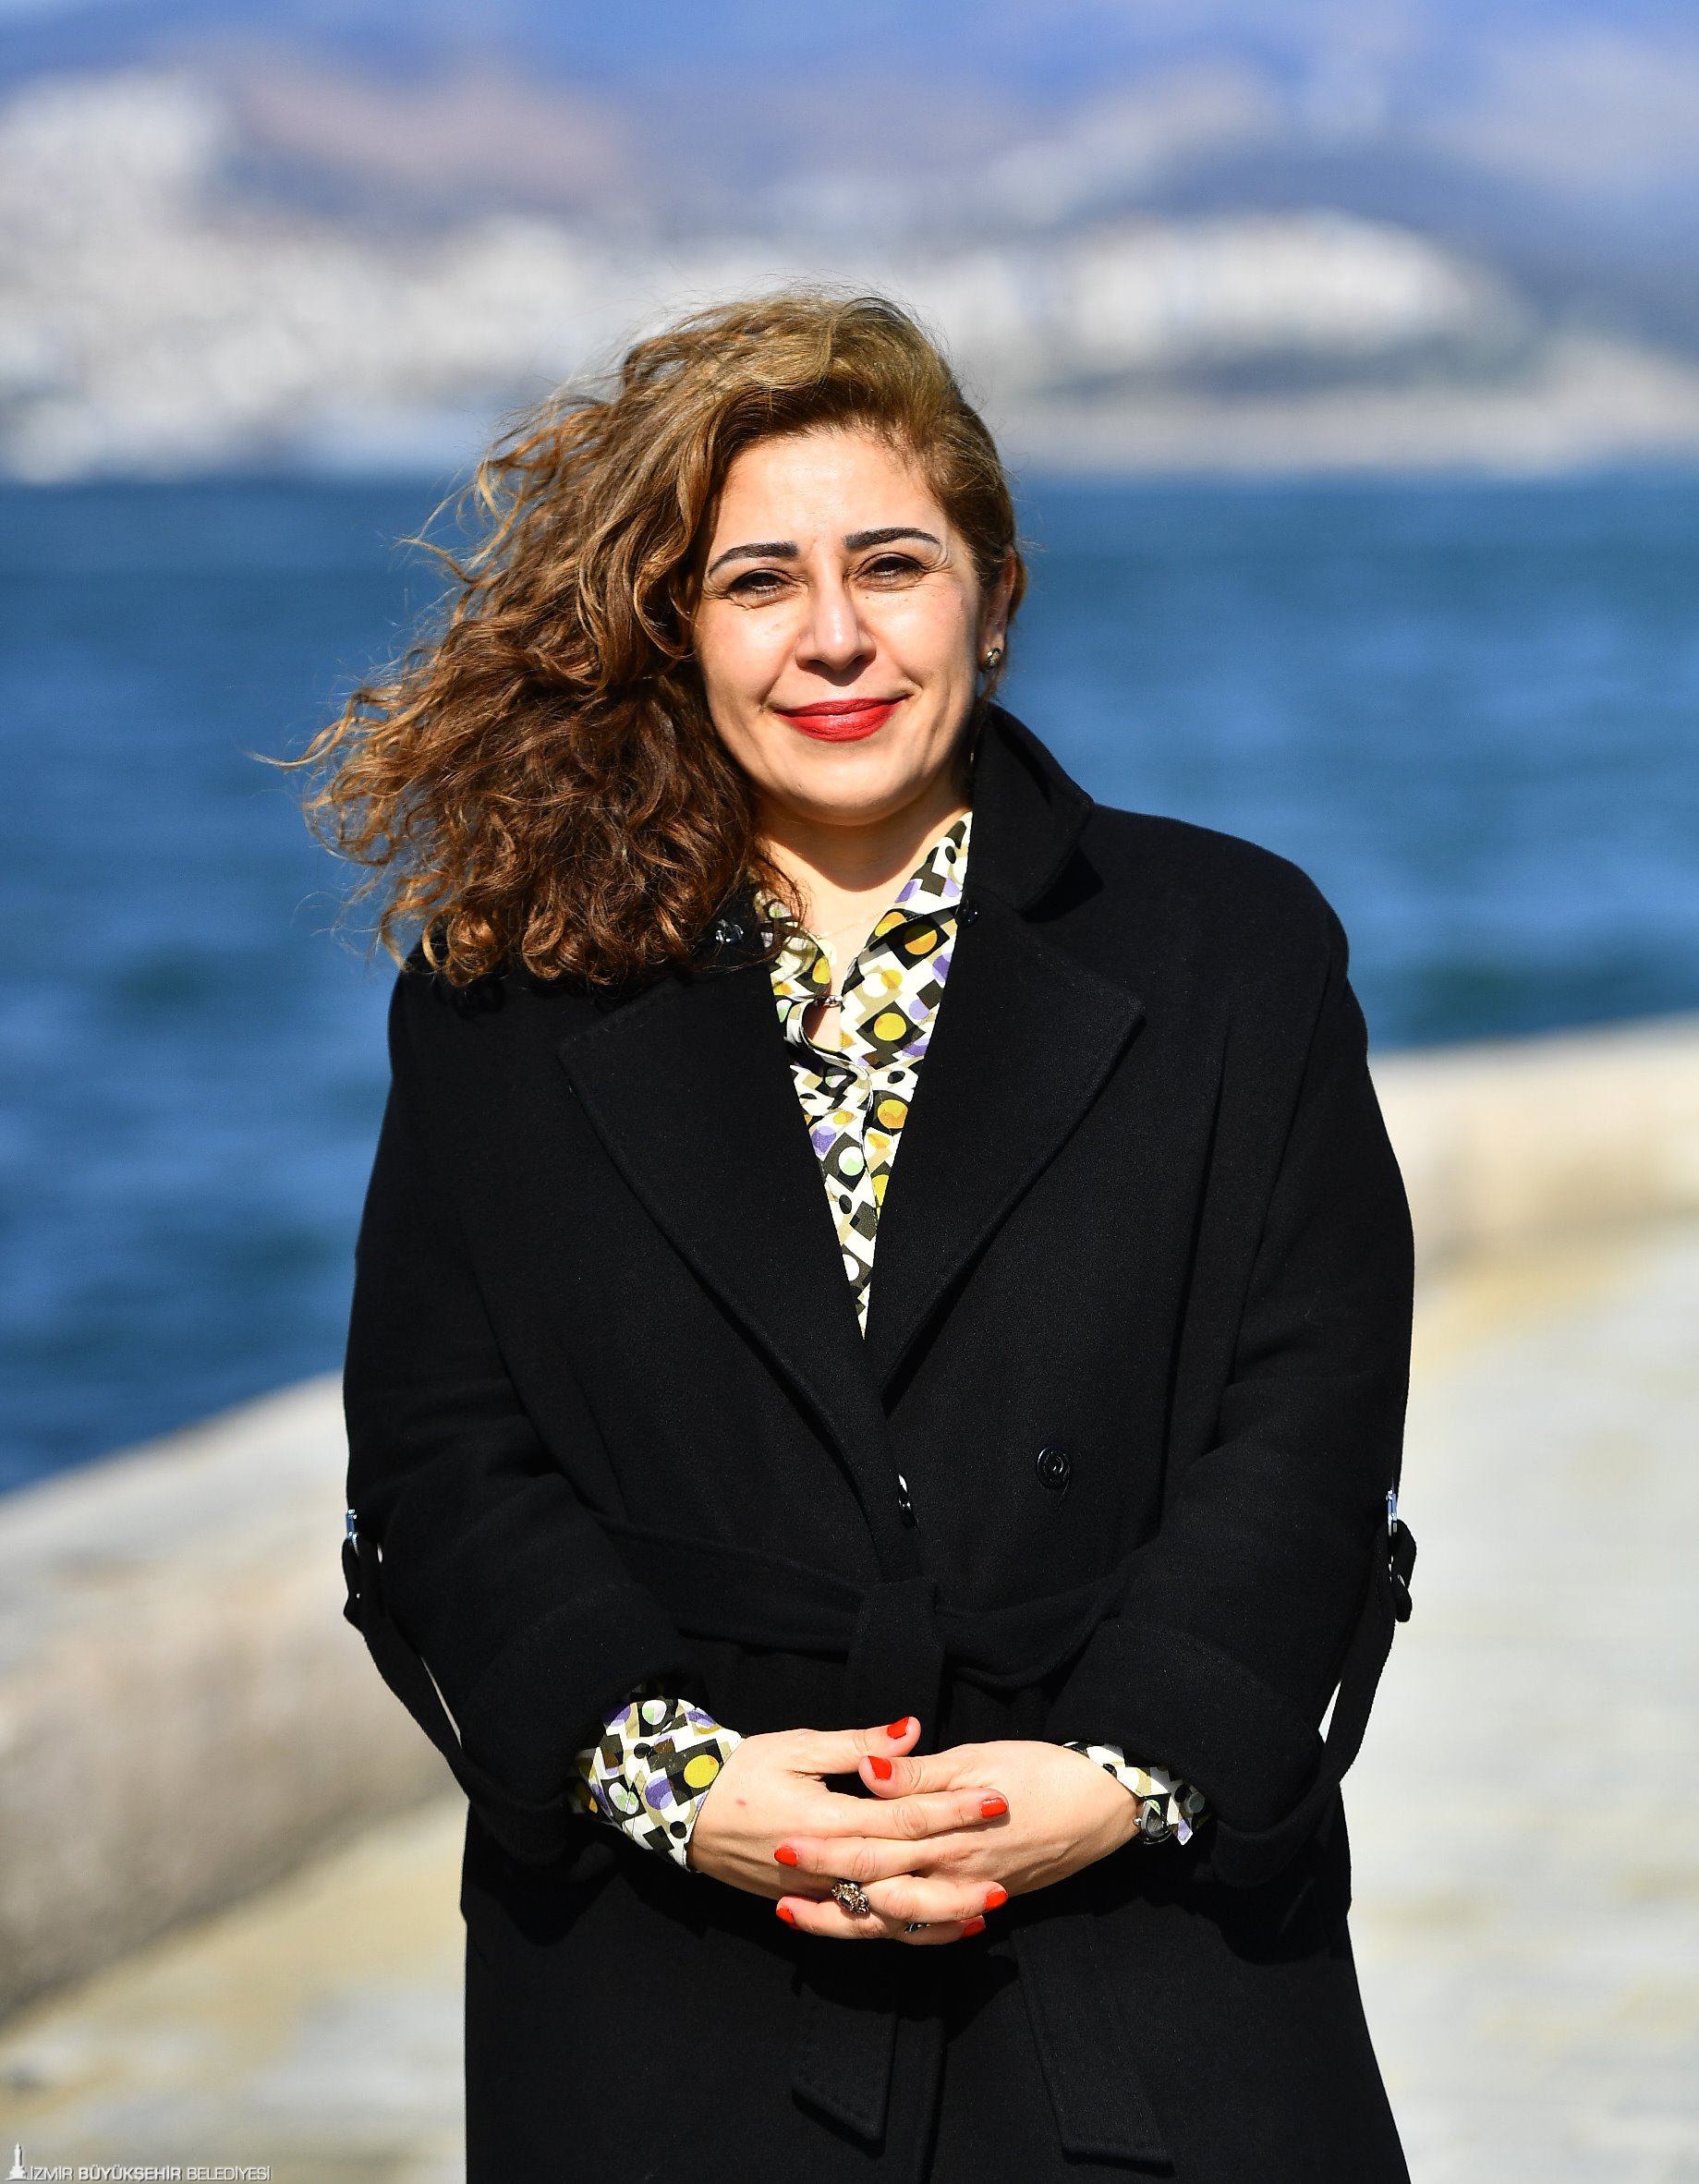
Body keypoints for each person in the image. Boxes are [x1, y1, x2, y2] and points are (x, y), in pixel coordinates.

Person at [306, 291, 1417, 2182]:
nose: (833, 635)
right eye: (759, 582)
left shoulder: (1236, 948)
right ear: (678, 628)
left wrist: (1119, 1770)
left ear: (995, 597)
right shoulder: (508, 985)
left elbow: (1308, 1410)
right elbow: (439, 1443)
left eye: (890, 565)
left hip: (1144, 1951)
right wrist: (678, 1779)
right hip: (671, 1968)